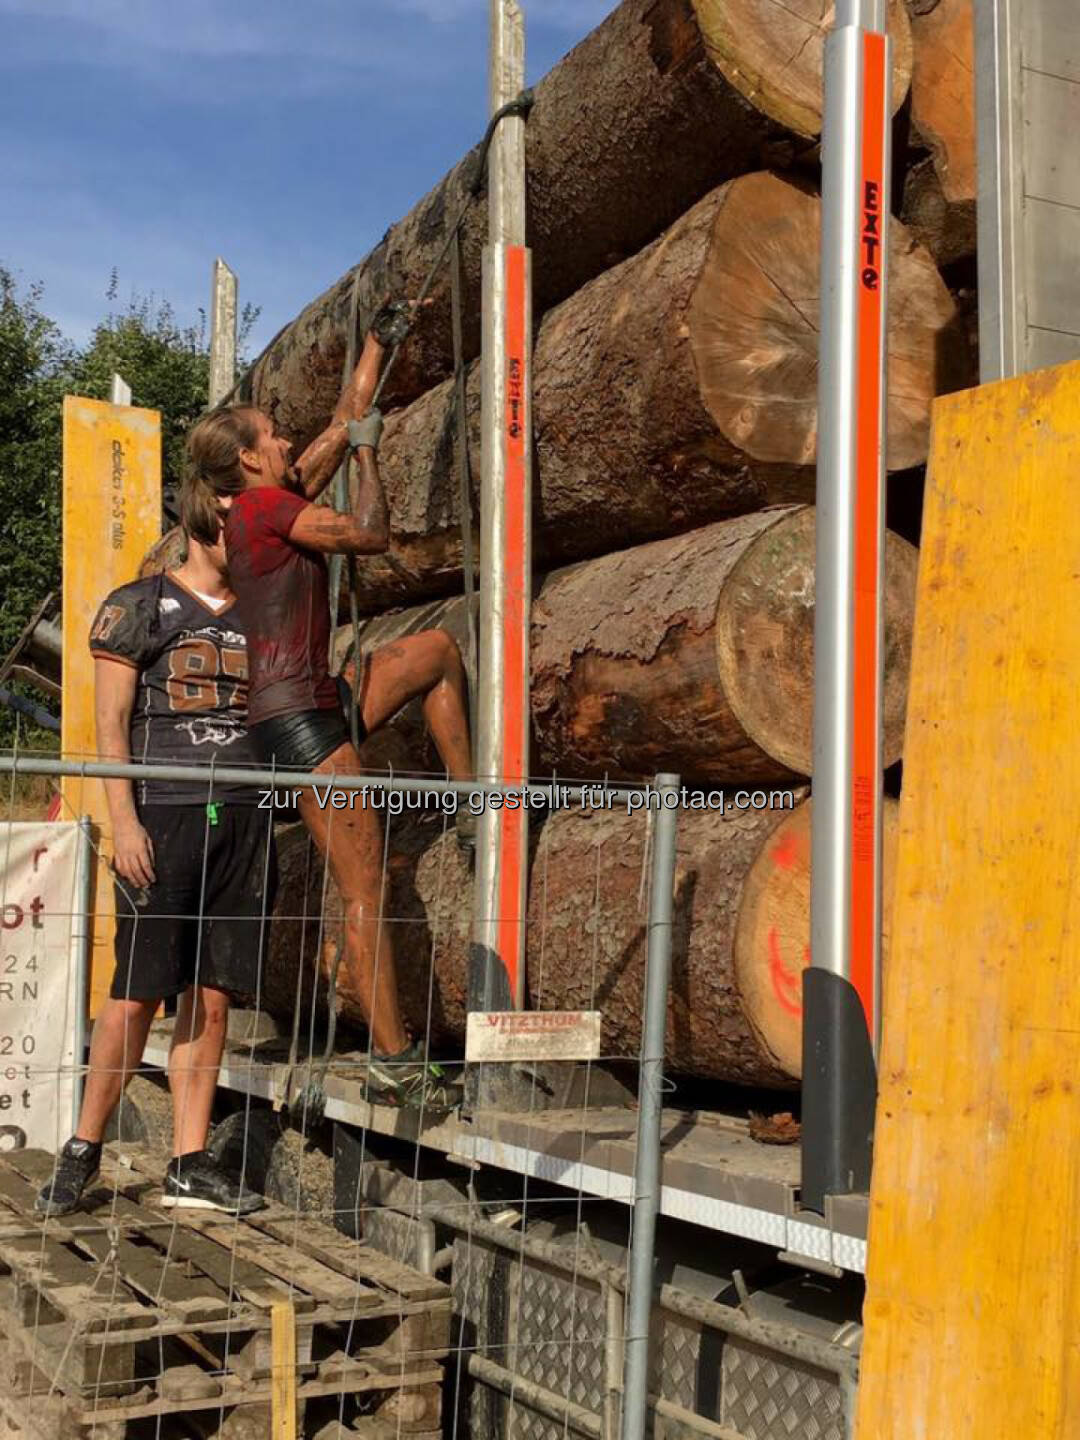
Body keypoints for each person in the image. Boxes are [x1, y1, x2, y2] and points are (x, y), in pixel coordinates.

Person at [184, 303, 471, 1113]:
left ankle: (474, 806)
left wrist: (379, 345)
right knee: (364, 887)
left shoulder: (266, 500)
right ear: (246, 457)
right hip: (299, 724)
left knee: (435, 653)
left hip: (312, 701)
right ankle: (394, 1060)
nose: (283, 438)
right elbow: (372, 533)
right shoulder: (271, 509)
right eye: (271, 434)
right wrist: (374, 456)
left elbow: (344, 420)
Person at [36, 491, 273, 1217]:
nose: (252, 540)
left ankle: (188, 1158)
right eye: (241, 527)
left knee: (212, 993)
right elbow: (109, 723)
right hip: (162, 812)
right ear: (206, 528)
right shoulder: (140, 604)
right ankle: (83, 1148)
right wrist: (124, 821)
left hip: (243, 813)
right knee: (136, 993)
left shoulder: (264, 609)